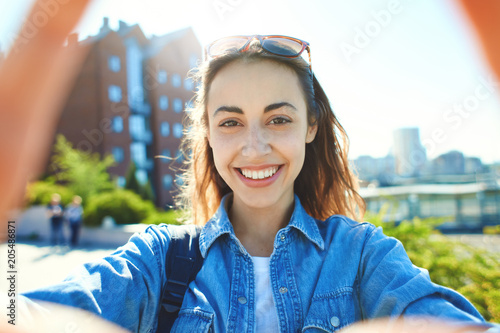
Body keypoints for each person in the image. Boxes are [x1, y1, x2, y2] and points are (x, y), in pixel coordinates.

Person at [19, 35, 499, 333]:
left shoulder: (361, 256)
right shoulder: (158, 260)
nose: (254, 147)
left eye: (277, 119)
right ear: (208, 134)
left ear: (310, 127)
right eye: (230, 123)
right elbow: (39, 316)